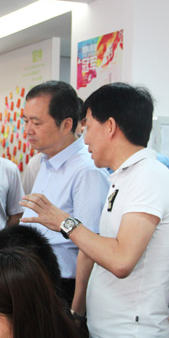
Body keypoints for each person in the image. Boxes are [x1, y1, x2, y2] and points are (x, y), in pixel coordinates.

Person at [21, 83, 169, 338]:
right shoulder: (123, 176)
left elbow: (121, 261)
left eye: (88, 125)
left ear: (110, 126)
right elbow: (103, 249)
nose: (84, 136)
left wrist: (65, 222)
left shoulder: (149, 176)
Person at [20, 80, 109, 305]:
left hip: (65, 287)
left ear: (66, 124)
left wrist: (77, 309)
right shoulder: (45, 161)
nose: (28, 130)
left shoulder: (86, 170)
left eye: (36, 123)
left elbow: (91, 247)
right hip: (35, 278)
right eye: (25, 121)